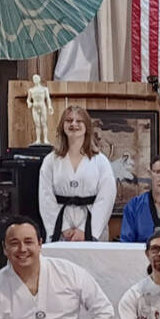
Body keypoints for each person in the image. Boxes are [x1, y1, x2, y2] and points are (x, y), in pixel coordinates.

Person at [39, 104, 117, 242]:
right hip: (61, 226)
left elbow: (106, 197)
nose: (73, 124)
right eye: (69, 120)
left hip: (91, 225)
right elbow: (46, 198)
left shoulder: (100, 161)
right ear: (62, 126)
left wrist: (85, 230)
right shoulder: (51, 161)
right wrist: (63, 228)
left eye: (79, 121)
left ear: (87, 127)